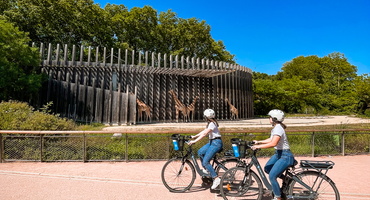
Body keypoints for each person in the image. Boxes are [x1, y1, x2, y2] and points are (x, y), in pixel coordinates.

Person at [251, 109, 295, 200]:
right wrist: (258, 142)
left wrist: (259, 147)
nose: (269, 119)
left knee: (272, 176)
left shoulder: (278, 128)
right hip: (279, 153)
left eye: (269, 117)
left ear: (274, 118)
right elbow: (270, 139)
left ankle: (278, 197)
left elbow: (273, 143)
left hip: (285, 155)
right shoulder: (276, 127)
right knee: (267, 168)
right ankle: (286, 179)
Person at [188, 108, 223, 190]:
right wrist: (194, 136)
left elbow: (204, 134)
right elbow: (204, 131)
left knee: (206, 161)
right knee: (200, 152)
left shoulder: (212, 124)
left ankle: (216, 178)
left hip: (216, 143)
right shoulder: (211, 123)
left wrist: (194, 141)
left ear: (206, 117)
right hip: (212, 142)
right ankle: (207, 170)